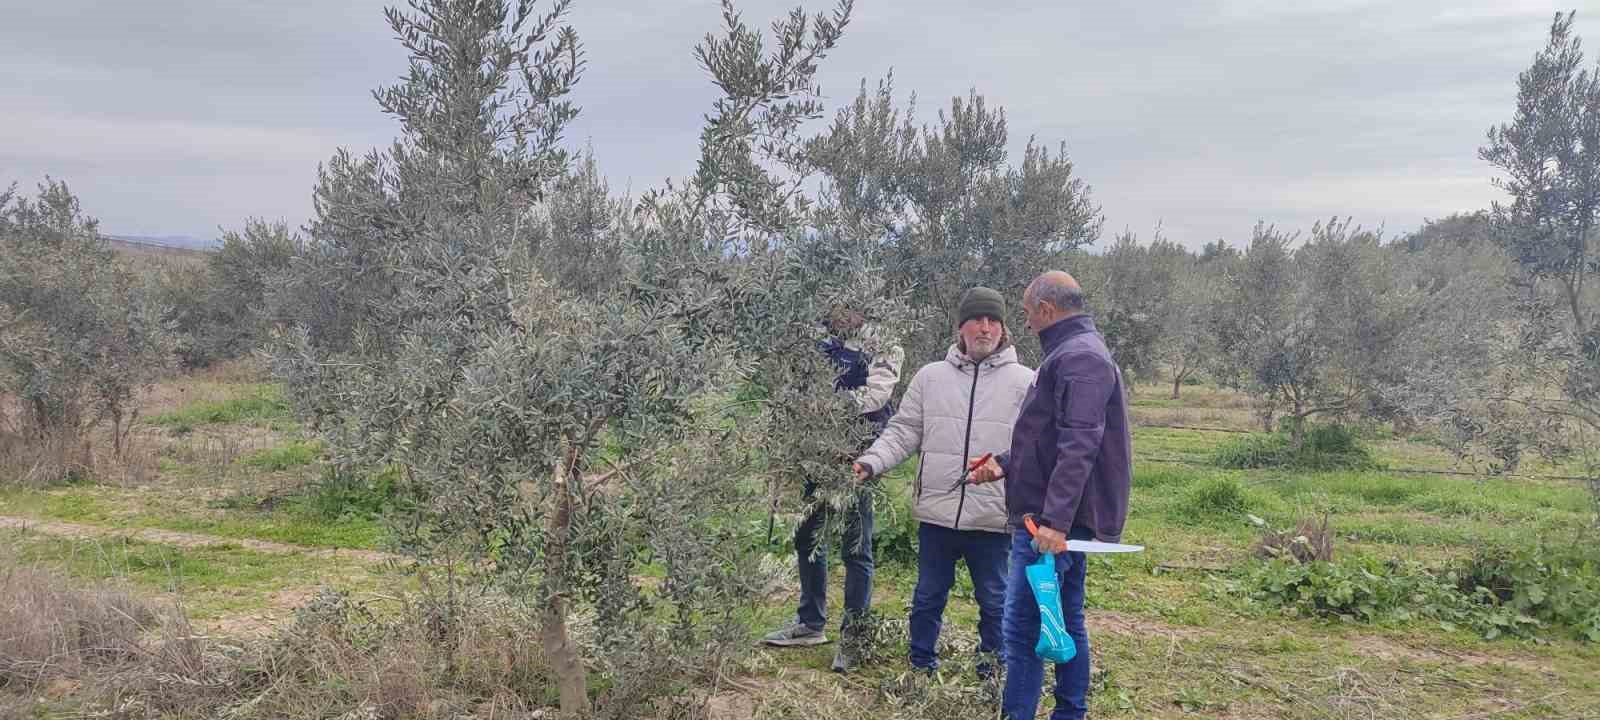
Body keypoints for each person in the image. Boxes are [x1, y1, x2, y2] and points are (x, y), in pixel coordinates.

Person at [968, 271, 1132, 720]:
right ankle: (1069, 713)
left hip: (1048, 523)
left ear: (1045, 310)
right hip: (1051, 517)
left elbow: (1079, 444)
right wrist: (1005, 461)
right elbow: (1048, 436)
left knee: (1022, 631)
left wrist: (1055, 523)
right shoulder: (1072, 352)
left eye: (1026, 312)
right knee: (1065, 619)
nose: (1026, 322)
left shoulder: (1080, 359)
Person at [852, 287, 1034, 678]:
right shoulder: (930, 377)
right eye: (976, 320)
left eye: (993, 321)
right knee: (928, 597)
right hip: (937, 511)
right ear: (960, 328)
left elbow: (1034, 448)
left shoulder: (1025, 382)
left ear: (1004, 330)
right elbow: (903, 432)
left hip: (993, 515)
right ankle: (920, 669)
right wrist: (870, 462)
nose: (984, 328)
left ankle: (991, 673)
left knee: (995, 600)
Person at [763, 305, 904, 674]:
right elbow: (794, 385)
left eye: (848, 305)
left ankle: (854, 639)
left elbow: (876, 396)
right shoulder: (817, 341)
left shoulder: (885, 344)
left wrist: (821, 406)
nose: (841, 312)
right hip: (817, 452)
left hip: (859, 456)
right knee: (808, 536)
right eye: (833, 304)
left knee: (857, 546)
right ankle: (810, 623)